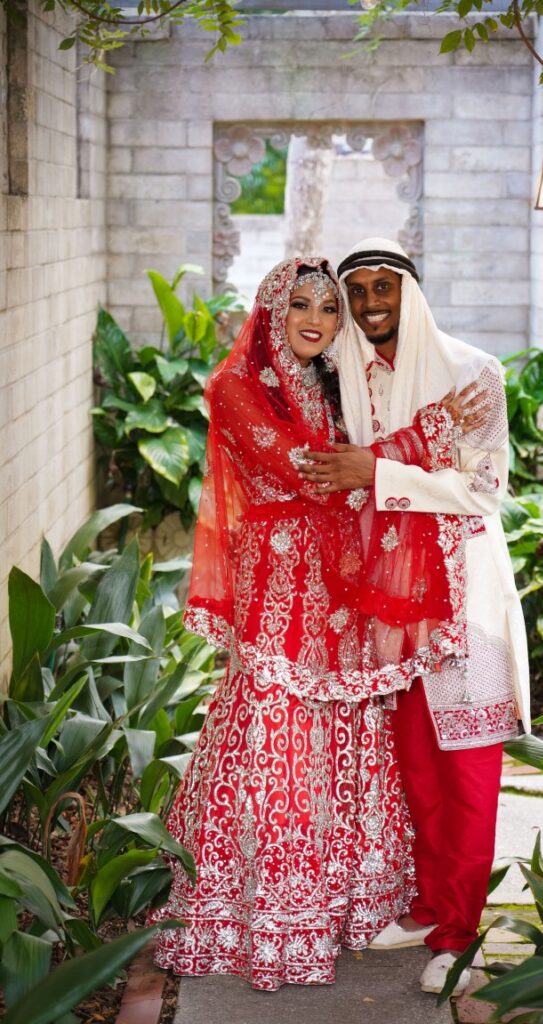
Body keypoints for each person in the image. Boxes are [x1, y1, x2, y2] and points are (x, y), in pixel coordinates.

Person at [149, 257, 419, 992]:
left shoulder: (338, 385)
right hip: (275, 577)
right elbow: (300, 466)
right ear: (272, 308)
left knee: (346, 718)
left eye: (330, 310)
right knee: (275, 717)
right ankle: (260, 910)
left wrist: (379, 459)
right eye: (300, 303)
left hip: (340, 576)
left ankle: (337, 903)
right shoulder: (233, 387)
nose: (317, 319)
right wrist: (396, 454)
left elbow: (358, 464)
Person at [298, 238, 531, 996]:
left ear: (410, 291)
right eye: (355, 288)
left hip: (464, 596)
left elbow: (482, 490)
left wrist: (379, 471)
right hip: (391, 605)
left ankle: (460, 937)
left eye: (383, 287)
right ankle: (432, 907)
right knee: (417, 771)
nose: (369, 302)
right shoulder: (347, 378)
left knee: (465, 770)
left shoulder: (472, 372)